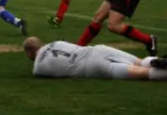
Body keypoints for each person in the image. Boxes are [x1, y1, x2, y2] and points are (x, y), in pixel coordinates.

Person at [23, 36, 167, 81]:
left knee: (142, 73)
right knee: (140, 62)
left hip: (91, 66)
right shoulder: (56, 43)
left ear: (29, 52)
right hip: (98, 49)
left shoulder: (38, 68)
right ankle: (157, 61)